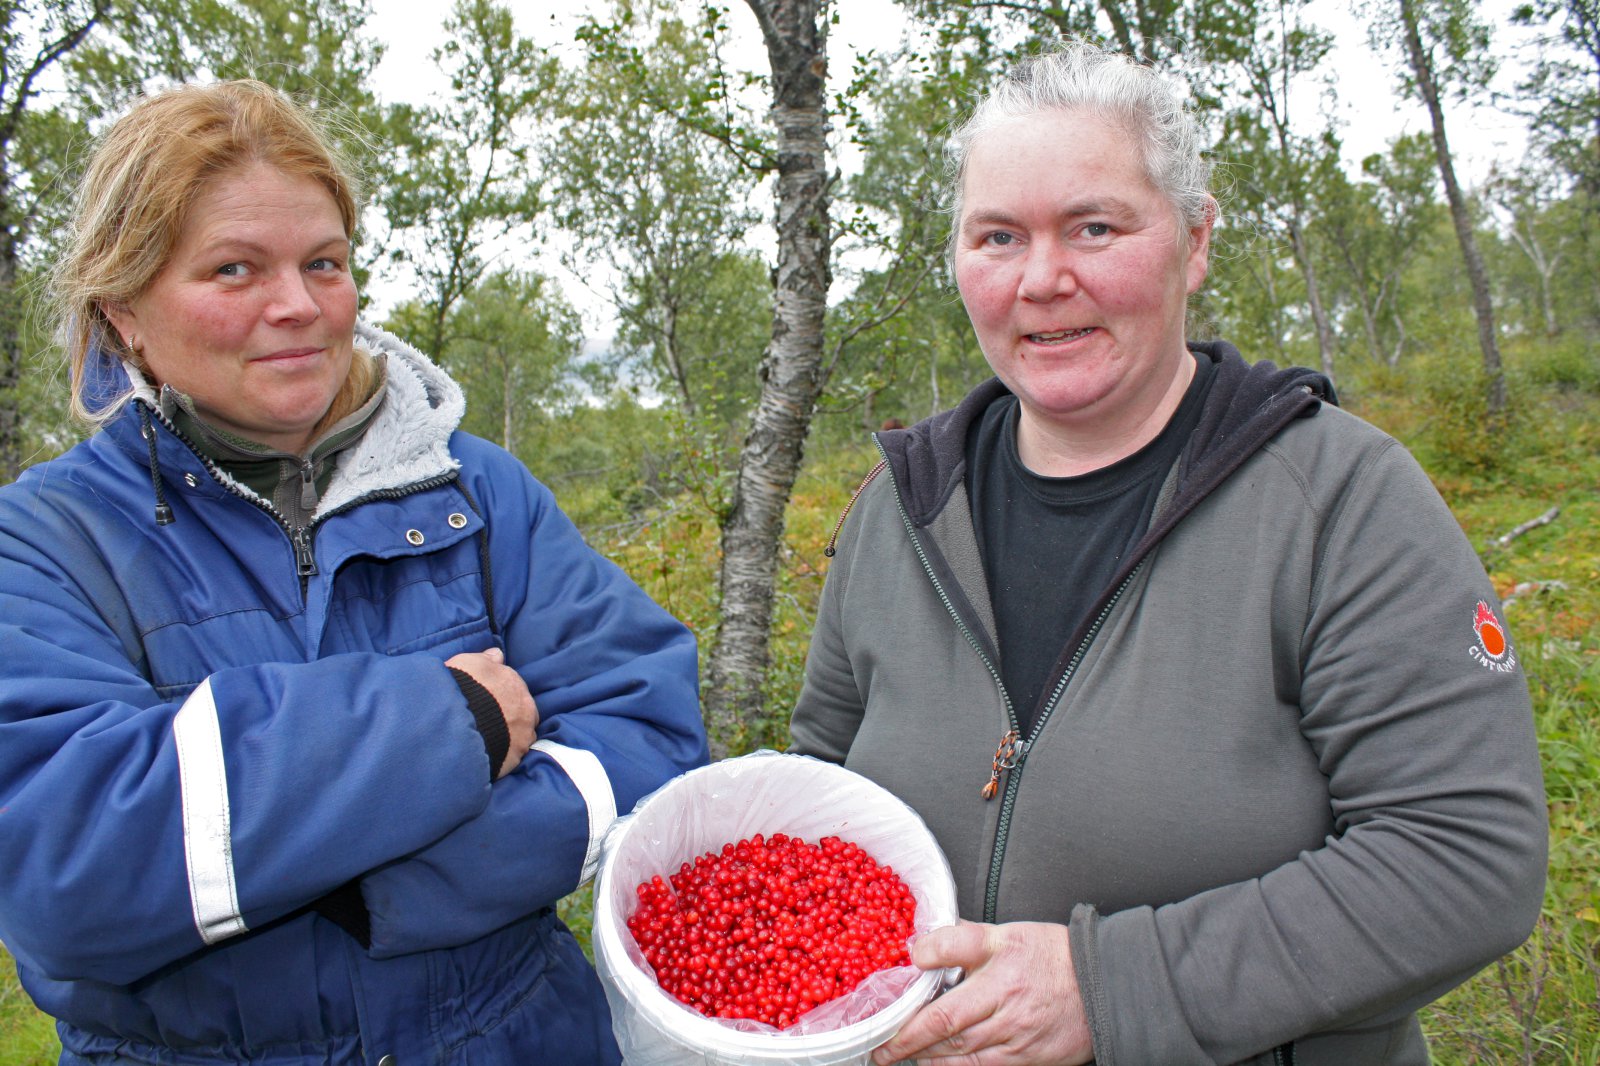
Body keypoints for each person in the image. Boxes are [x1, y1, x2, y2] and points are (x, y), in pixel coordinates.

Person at [790, 40, 1547, 1066]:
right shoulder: (901, 509)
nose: (1043, 278)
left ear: (1193, 242)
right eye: (997, 236)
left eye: (1094, 227)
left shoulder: (1338, 502)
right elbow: (821, 799)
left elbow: (1463, 862)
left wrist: (1111, 992)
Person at [0, 79, 709, 1065]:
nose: (296, 306)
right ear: (124, 309)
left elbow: (652, 732)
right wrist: (453, 725)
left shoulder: (475, 489)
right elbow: (64, 868)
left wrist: (358, 876)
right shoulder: (46, 537)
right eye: (235, 269)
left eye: (322, 263)